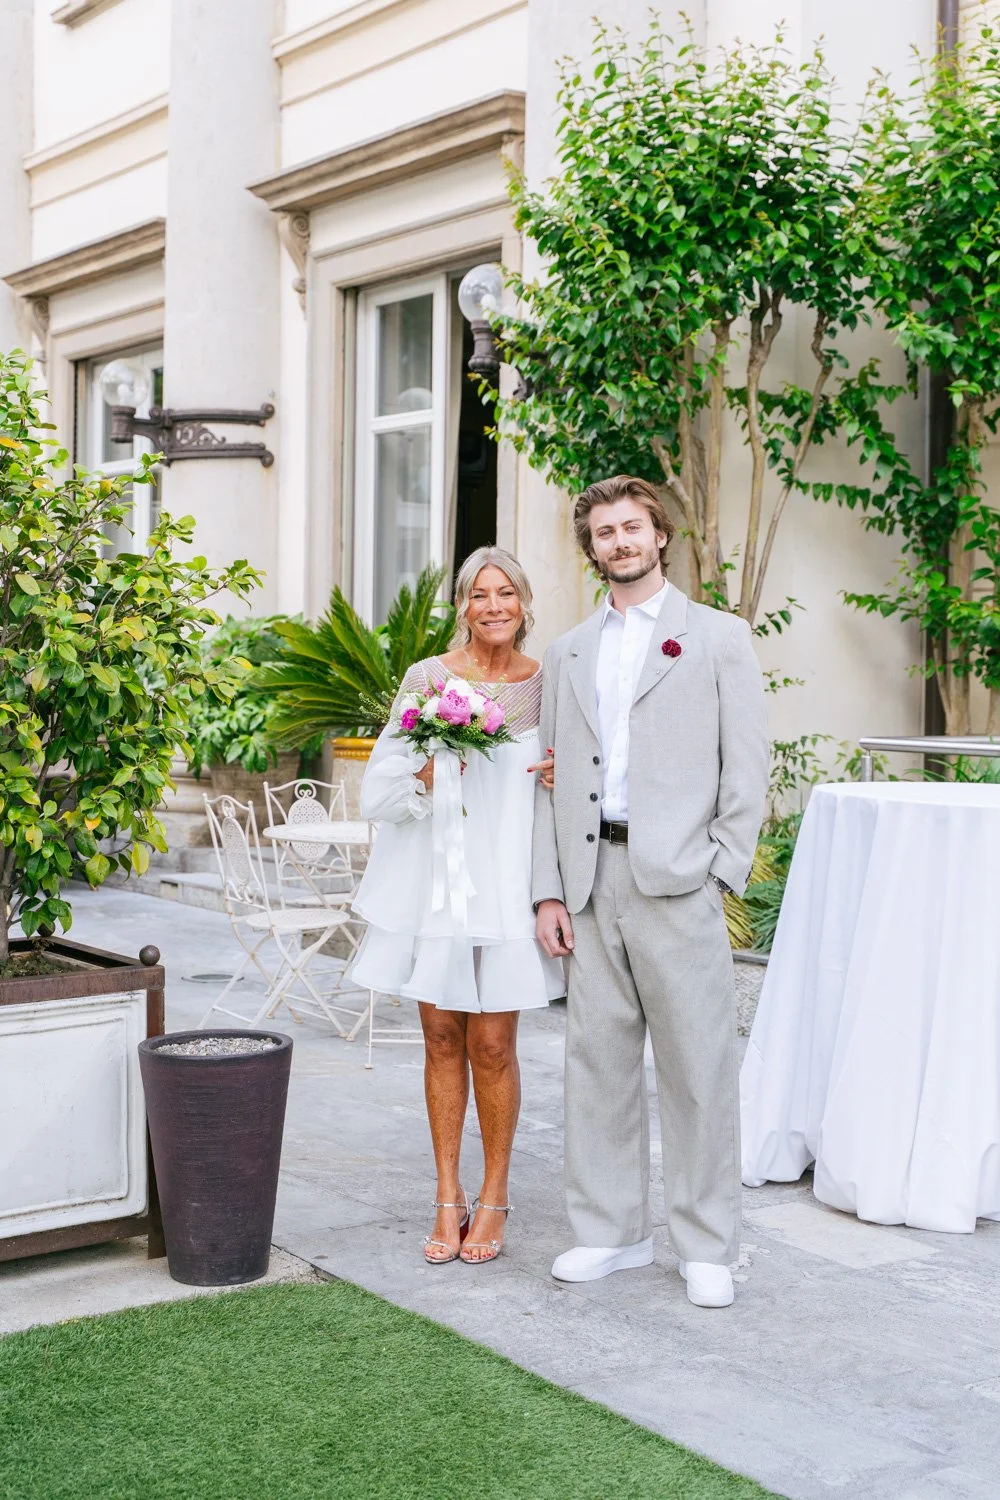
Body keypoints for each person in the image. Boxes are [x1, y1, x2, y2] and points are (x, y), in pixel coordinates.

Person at [531, 475, 769, 1307]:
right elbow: (549, 784)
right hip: (592, 885)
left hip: (678, 883)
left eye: (631, 527)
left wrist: (721, 871)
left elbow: (748, 769)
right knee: (595, 1064)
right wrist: (547, 892)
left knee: (698, 1068)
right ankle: (610, 1233)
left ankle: (707, 1244)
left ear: (659, 535)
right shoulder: (567, 653)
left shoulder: (718, 638)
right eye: (603, 532)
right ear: (591, 548)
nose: (619, 542)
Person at [350, 546, 565, 1266]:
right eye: (480, 594)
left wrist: (565, 775)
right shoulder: (428, 680)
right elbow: (378, 791)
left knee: (493, 1044)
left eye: (506, 593)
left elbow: (580, 776)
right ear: (462, 606)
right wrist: (427, 758)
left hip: (507, 883)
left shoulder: (548, 686)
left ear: (525, 604)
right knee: (441, 1037)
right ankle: (447, 1196)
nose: (494, 606)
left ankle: (495, 1195)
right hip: (435, 885)